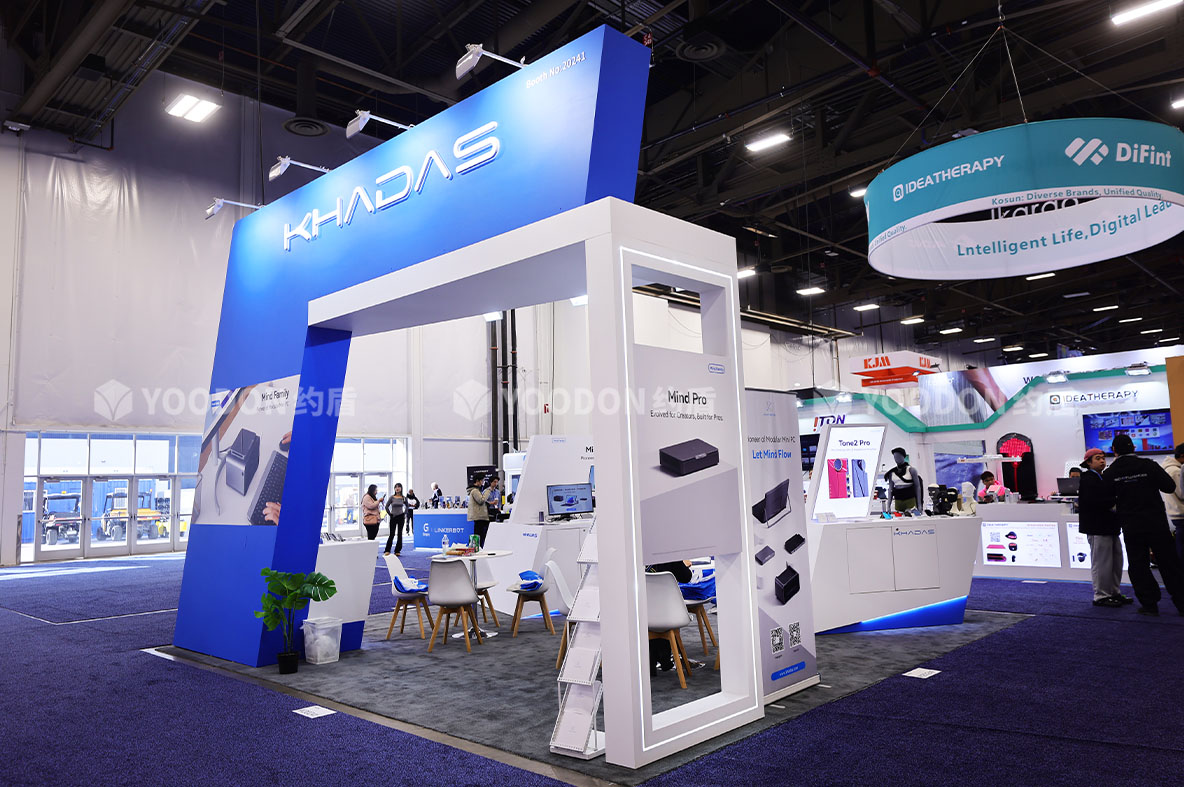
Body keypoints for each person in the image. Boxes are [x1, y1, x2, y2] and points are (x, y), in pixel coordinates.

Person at [1103, 433, 1184, 616]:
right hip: (1156, 522)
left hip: (1131, 525)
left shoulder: (1110, 472)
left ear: (1114, 450)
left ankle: (1149, 605)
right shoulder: (1148, 465)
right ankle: (1182, 603)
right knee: (1169, 563)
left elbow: (1106, 500)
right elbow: (1169, 487)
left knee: (1138, 565)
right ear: (1133, 447)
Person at [1077, 448, 1128, 608]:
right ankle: (1101, 595)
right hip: (1097, 527)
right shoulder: (1088, 479)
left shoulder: (1102, 477)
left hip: (1109, 526)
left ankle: (1113, 592)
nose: (1102, 461)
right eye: (1098, 458)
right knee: (1102, 563)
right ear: (1088, 462)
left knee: (1115, 562)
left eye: (1103, 458)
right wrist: (1115, 501)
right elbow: (1095, 501)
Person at [647, 560, 695, 674]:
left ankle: (654, 661)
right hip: (670, 615)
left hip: (643, 615)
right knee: (665, 607)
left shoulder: (635, 558)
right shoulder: (670, 558)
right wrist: (683, 565)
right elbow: (686, 577)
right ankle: (666, 659)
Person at [1161, 443, 1184, 561]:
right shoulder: (1175, 471)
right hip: (1181, 513)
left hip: (1175, 513)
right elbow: (1182, 493)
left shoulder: (1170, 469)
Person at [883, 447, 923, 512]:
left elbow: (917, 487)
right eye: (895, 457)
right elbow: (890, 489)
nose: (897, 459)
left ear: (903, 456)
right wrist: (888, 505)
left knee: (911, 516)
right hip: (898, 501)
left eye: (899, 456)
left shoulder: (911, 470)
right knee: (899, 517)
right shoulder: (892, 473)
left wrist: (919, 505)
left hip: (910, 500)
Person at [384, 483, 407, 556]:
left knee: (399, 534)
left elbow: (407, 506)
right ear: (394, 489)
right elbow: (386, 506)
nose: (397, 488)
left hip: (401, 517)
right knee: (392, 534)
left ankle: (397, 550)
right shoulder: (392, 497)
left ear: (401, 488)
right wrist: (390, 514)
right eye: (396, 487)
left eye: (399, 487)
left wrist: (404, 513)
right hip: (393, 517)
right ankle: (387, 550)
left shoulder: (403, 498)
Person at [467, 475, 489, 549]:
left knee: (478, 535)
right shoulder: (475, 491)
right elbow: (481, 500)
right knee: (480, 536)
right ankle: (477, 549)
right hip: (479, 517)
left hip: (479, 517)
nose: (483, 483)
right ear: (477, 481)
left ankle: (477, 549)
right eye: (482, 481)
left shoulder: (475, 490)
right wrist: (487, 491)